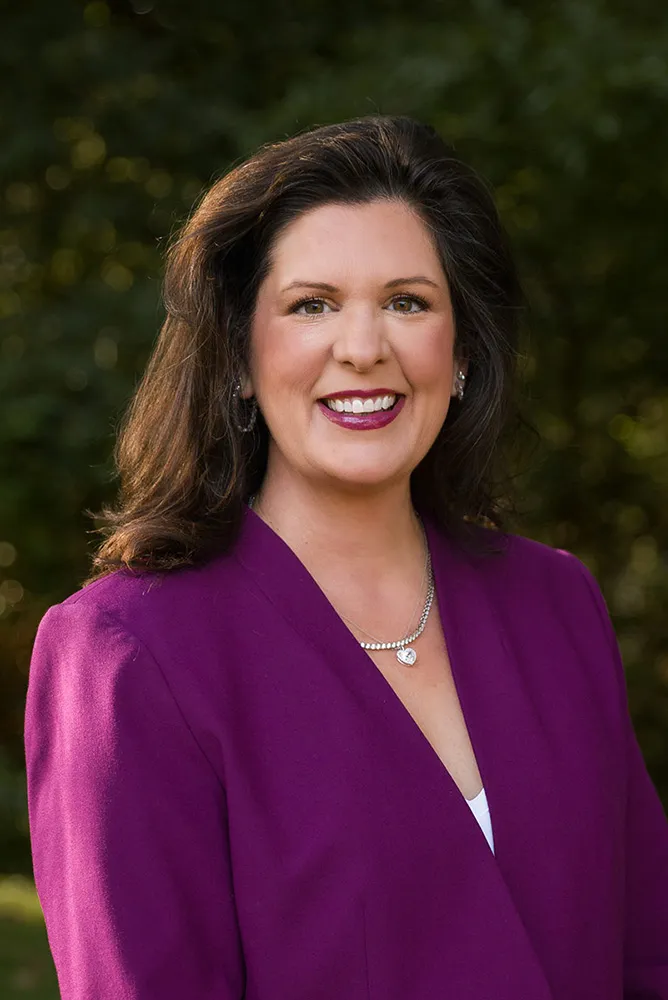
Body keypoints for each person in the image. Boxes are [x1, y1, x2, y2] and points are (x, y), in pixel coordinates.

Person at [24, 115, 668, 999]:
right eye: (311, 305)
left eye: (408, 301)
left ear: (464, 348)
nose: (363, 347)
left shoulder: (555, 602)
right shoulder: (129, 651)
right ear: (240, 359)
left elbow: (647, 953)